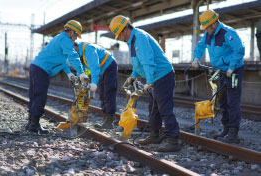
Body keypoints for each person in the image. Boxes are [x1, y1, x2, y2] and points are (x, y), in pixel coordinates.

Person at [109, 15, 180, 152]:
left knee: (164, 108)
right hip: (156, 76)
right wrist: (133, 76)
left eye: (120, 35)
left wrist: (149, 82)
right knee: (153, 108)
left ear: (124, 30)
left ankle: (173, 141)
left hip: (162, 75)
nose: (121, 38)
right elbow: (137, 63)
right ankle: (154, 135)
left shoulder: (139, 38)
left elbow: (148, 62)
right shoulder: (132, 40)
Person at [192, 10, 245, 143]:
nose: (207, 30)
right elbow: (200, 46)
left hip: (234, 72)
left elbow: (239, 50)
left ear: (215, 23)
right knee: (223, 101)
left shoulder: (228, 33)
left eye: (208, 27)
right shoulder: (208, 34)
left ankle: (233, 132)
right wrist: (196, 58)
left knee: (232, 101)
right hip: (222, 71)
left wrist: (232, 67)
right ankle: (226, 128)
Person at [27, 20, 87, 134]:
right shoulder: (66, 40)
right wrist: (81, 72)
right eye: (76, 35)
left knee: (34, 95)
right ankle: (34, 125)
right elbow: (73, 56)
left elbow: (62, 61)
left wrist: (69, 73)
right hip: (42, 69)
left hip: (36, 66)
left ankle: (30, 123)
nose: (76, 38)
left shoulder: (60, 38)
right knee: (40, 96)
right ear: (72, 32)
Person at [74, 42, 118, 129]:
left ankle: (109, 121)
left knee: (108, 92)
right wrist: (82, 79)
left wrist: (94, 82)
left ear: (75, 46)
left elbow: (94, 66)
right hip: (102, 70)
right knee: (102, 94)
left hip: (109, 65)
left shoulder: (88, 49)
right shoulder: (80, 54)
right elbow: (85, 68)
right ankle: (105, 119)